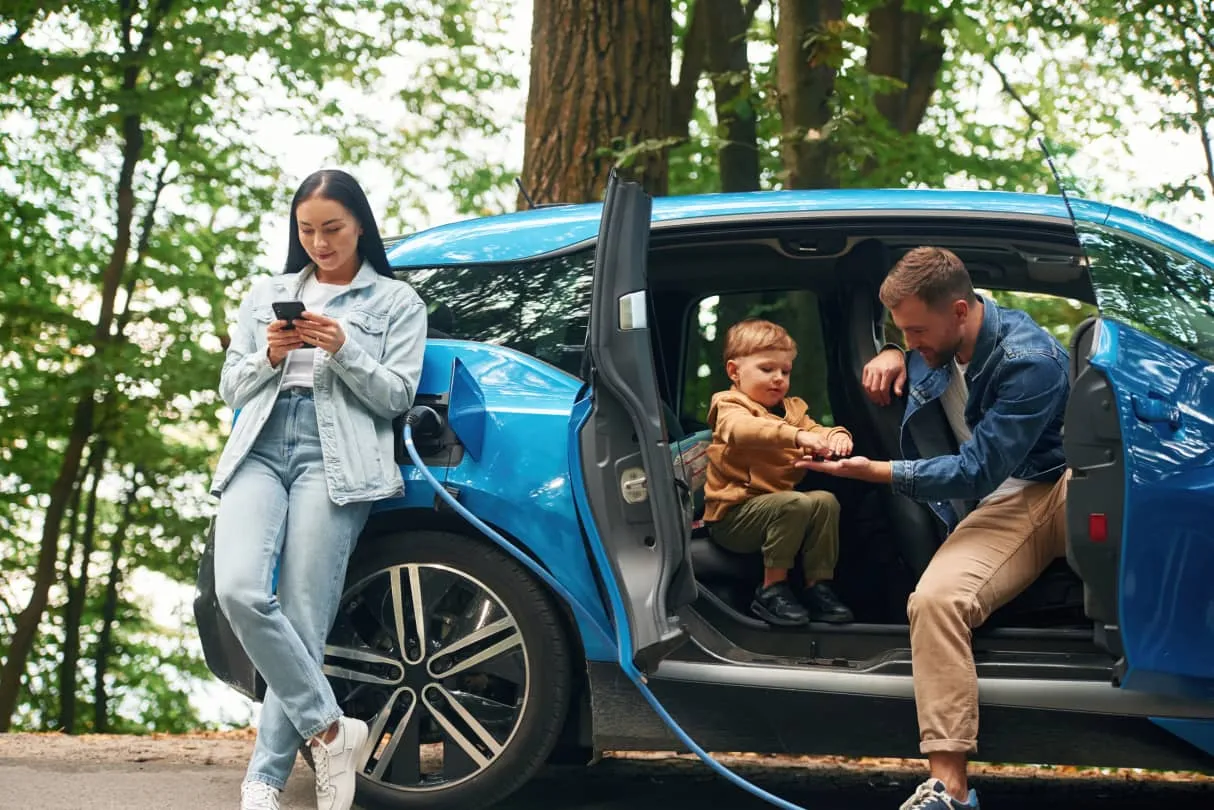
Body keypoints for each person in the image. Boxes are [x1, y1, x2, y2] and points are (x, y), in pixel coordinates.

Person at [796, 247, 1070, 810]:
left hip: (1058, 485)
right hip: (1003, 502)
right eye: (903, 330)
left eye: (917, 329)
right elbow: (919, 347)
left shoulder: (1030, 359)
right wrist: (895, 350)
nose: (912, 339)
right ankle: (949, 790)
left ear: (962, 311)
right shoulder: (936, 341)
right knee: (935, 601)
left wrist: (876, 471)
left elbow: (978, 469)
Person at [209, 169, 428, 810]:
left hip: (336, 459)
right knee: (239, 590)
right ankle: (332, 731)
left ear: (360, 223)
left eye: (332, 228)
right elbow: (230, 387)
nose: (319, 242)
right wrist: (268, 358)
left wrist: (345, 349)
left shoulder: (395, 302)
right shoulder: (268, 293)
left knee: (305, 618)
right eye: (307, 230)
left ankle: (265, 781)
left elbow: (398, 396)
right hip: (260, 446)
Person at [703, 318, 856, 626]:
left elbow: (817, 429)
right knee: (795, 502)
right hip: (733, 516)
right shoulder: (729, 405)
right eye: (766, 369)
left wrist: (838, 435)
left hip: (776, 509)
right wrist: (796, 436)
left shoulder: (793, 409)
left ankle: (818, 586)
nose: (778, 379)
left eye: (785, 371)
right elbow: (743, 430)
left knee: (825, 500)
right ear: (734, 372)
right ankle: (771, 589)